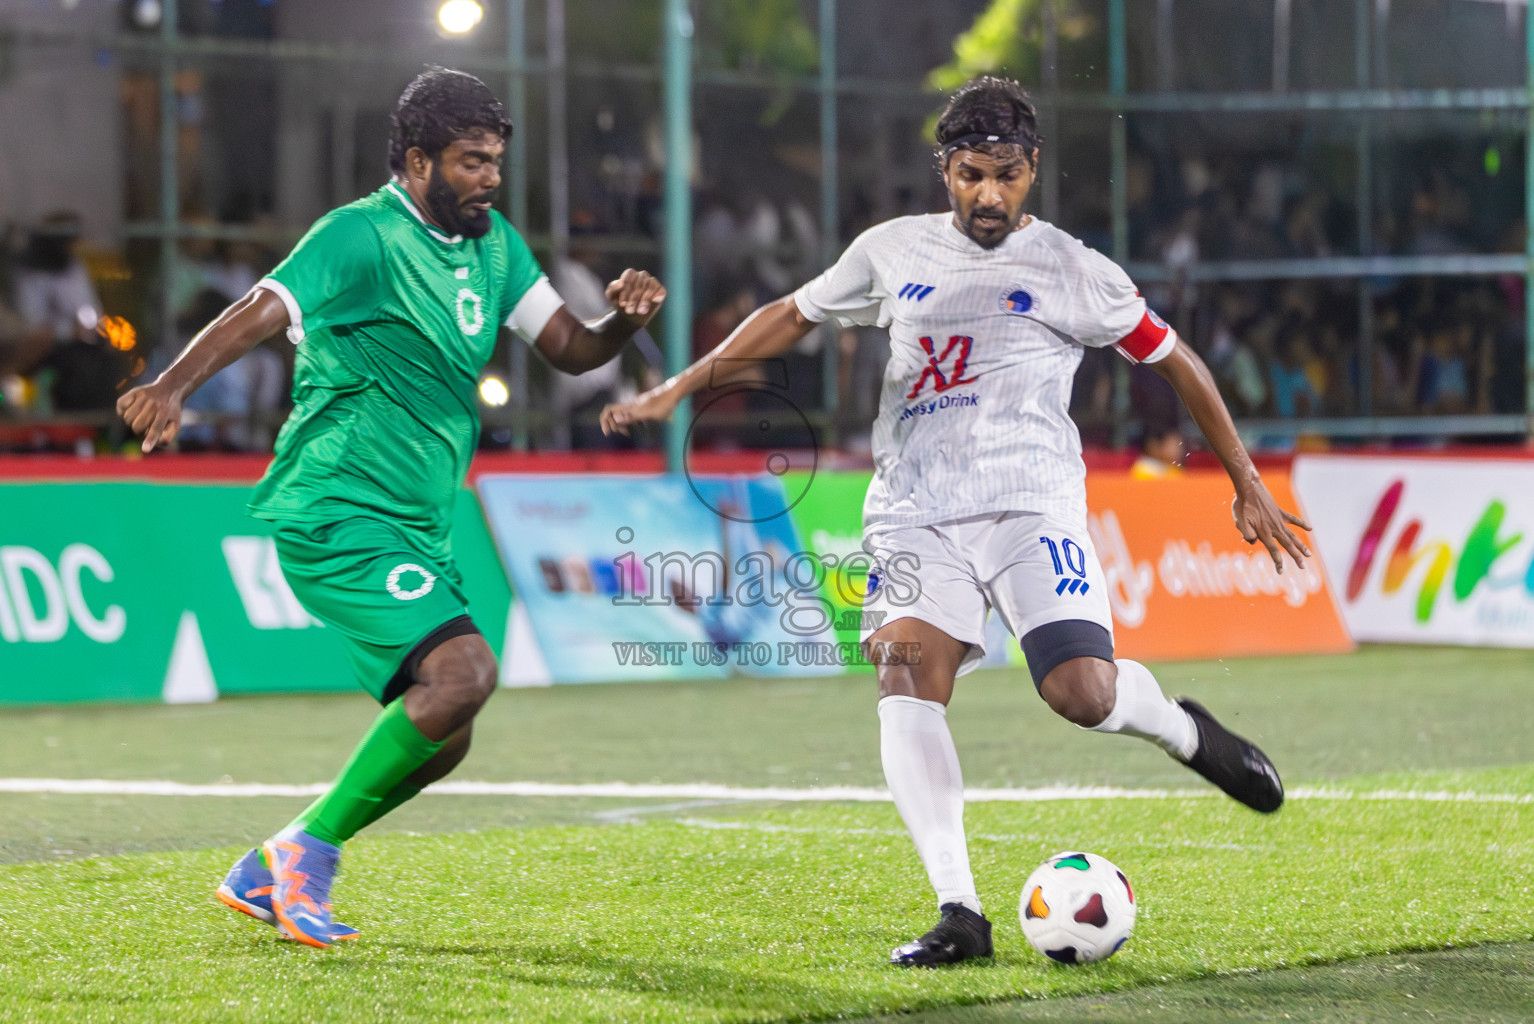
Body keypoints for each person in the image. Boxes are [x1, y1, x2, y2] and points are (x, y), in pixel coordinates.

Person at [602, 76, 1306, 967]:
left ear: (1033, 169)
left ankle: (1183, 729)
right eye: (972, 174)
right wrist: (679, 385)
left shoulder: (1073, 268)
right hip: (915, 513)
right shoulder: (891, 251)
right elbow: (792, 315)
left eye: (1007, 175)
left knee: (1081, 696)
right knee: (906, 673)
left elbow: (1176, 360)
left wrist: (1242, 478)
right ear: (945, 170)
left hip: (1030, 505)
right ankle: (959, 911)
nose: (989, 195)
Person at [117, 67, 664, 948]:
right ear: (417, 161)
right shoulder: (360, 235)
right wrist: (173, 385)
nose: (490, 177)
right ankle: (309, 852)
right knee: (463, 676)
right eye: (471, 162)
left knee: (446, 733)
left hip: (415, 522)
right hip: (338, 508)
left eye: (496, 161)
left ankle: (270, 866)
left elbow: (568, 349)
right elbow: (263, 309)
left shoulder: (494, 245)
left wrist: (622, 325)